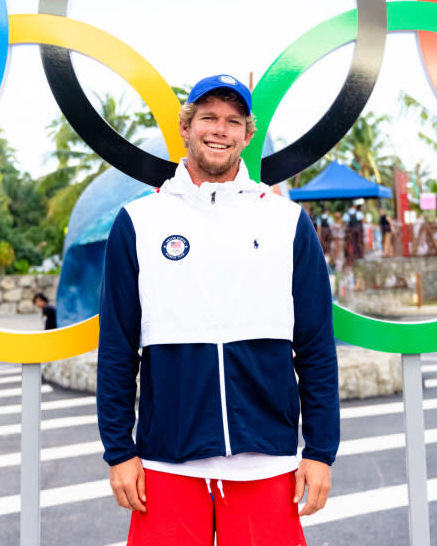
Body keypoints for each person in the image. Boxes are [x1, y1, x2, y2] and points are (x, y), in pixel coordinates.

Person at [97, 74, 339, 546]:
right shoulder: (139, 221)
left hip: (267, 462)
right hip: (166, 463)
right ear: (186, 127)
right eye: (208, 117)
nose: (219, 129)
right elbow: (117, 349)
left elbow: (315, 347)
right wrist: (118, 451)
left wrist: (321, 450)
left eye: (233, 121)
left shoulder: (286, 221)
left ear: (248, 136)